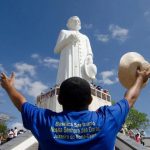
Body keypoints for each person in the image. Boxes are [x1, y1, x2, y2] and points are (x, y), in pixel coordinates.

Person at [0, 68, 150, 150]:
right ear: (91, 100)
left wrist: (9, 87)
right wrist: (139, 79)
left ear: (59, 99)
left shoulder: (44, 121)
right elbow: (129, 99)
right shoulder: (107, 119)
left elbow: (21, 103)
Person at [54, 16, 97, 84]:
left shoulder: (85, 37)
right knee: (68, 80)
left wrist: (89, 58)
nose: (77, 22)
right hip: (69, 62)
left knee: (83, 82)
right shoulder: (64, 32)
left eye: (78, 21)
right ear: (69, 23)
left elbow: (89, 52)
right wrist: (68, 40)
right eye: (74, 20)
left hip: (83, 64)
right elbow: (56, 50)